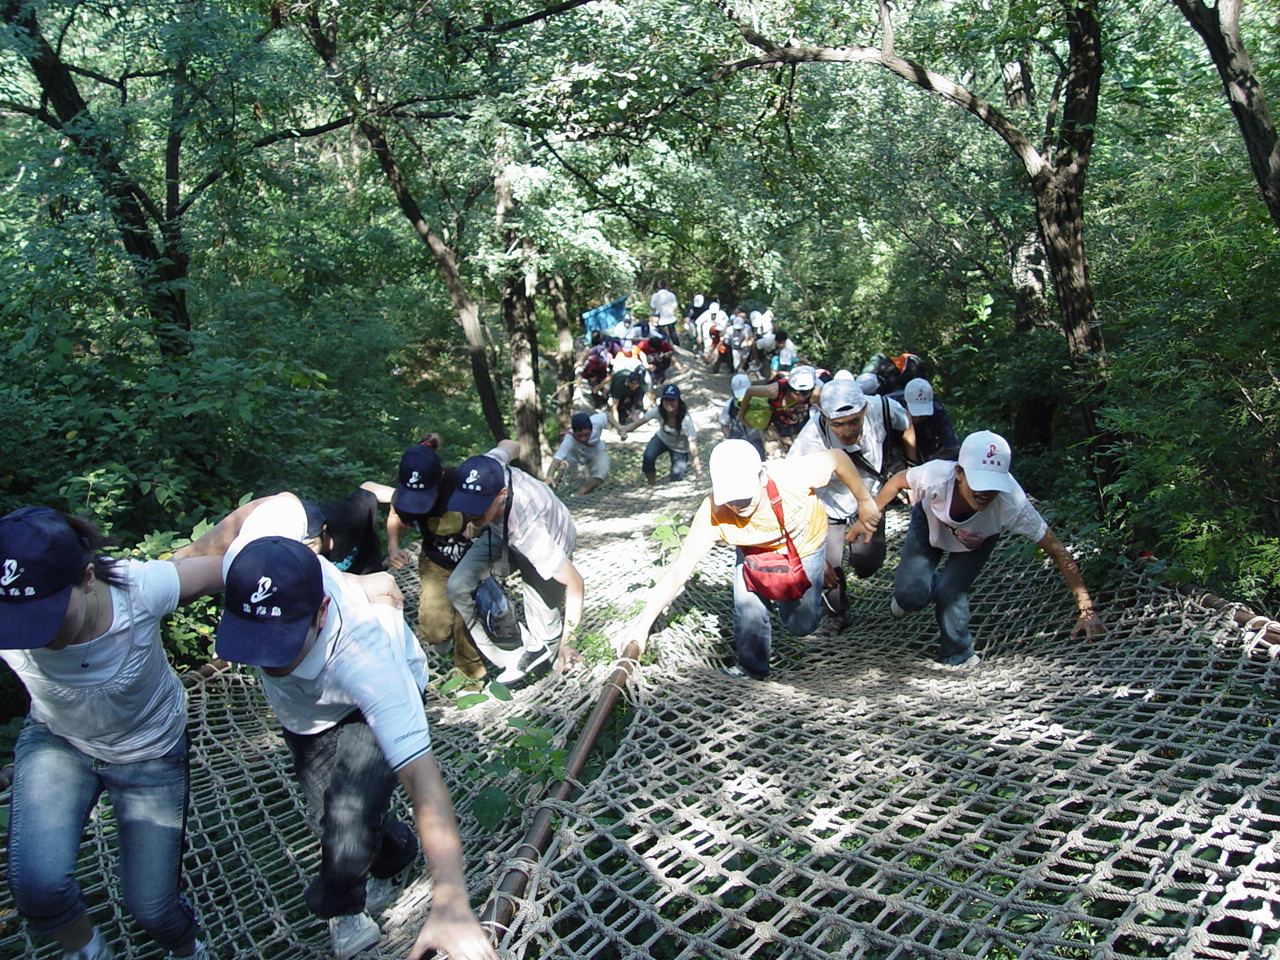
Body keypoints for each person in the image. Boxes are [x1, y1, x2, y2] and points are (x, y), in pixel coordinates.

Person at [212, 496, 496, 960]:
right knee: (327, 815)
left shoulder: (371, 665)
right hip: (304, 715)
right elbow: (271, 506)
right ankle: (395, 853)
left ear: (321, 614)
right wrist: (363, 580)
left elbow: (425, 785)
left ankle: (343, 908)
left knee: (347, 818)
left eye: (280, 644)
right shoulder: (248, 563)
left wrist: (451, 901)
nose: (266, 659)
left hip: (368, 694)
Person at [0, 506, 223, 960]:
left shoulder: (141, 589)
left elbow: (235, 568)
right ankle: (89, 952)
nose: (32, 636)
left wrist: (349, 584)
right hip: (58, 742)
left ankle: (188, 950)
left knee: (153, 910)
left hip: (150, 752)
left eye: (45, 615)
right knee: (37, 886)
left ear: (86, 577)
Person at [616, 440, 880, 679]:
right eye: (729, 497)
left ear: (762, 477)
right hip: (754, 551)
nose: (738, 505)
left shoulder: (791, 476)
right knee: (747, 608)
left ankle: (817, 580)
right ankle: (752, 669)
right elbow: (679, 569)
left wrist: (865, 500)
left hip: (805, 546)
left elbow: (837, 458)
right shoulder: (714, 513)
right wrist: (642, 626)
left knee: (800, 625)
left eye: (743, 494)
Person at [875, 430, 1105, 668]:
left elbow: (1058, 552)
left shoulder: (1011, 503)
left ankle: (958, 654)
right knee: (910, 596)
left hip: (976, 540)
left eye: (992, 484)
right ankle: (921, 586)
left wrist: (1086, 610)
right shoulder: (936, 475)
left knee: (951, 591)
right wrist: (869, 516)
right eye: (978, 482)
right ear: (959, 474)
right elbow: (898, 480)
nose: (985, 492)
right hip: (931, 521)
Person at [445, 441, 585, 683]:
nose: (469, 513)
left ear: (502, 494)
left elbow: (575, 584)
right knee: (457, 586)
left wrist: (568, 642)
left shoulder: (528, 531)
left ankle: (548, 677)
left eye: (477, 509)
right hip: (500, 532)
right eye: (467, 506)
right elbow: (511, 445)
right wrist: (477, 520)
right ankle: (511, 658)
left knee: (546, 630)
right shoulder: (488, 468)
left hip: (550, 537)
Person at [788, 379, 917, 624]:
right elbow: (791, 490)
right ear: (824, 418)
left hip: (871, 499)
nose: (847, 430)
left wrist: (911, 465)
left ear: (865, 409)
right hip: (829, 504)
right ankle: (837, 615)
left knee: (868, 563)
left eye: (853, 421)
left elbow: (906, 424)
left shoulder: (883, 409)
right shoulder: (810, 439)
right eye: (838, 424)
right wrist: (811, 551)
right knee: (828, 570)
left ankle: (859, 561)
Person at [379, 440, 487, 684]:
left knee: (467, 621)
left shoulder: (461, 480)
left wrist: (480, 523)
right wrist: (393, 547)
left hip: (472, 562)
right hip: (435, 562)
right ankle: (443, 638)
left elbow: (494, 503)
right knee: (434, 631)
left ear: (439, 476)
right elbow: (395, 515)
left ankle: (471, 679)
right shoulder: (405, 495)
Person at [619, 383, 704, 485]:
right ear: (662, 401)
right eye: (666, 400)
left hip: (680, 448)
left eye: (672, 400)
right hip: (662, 439)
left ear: (678, 401)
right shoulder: (658, 411)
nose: (669, 403)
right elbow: (639, 422)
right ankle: (651, 484)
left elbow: (693, 446)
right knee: (648, 456)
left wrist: (698, 469)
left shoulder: (685, 419)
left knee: (676, 478)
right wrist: (624, 430)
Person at [740, 363, 820, 456]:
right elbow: (751, 391)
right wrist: (742, 416)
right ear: (790, 388)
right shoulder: (775, 390)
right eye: (796, 393)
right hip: (774, 426)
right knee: (775, 456)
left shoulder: (816, 394)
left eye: (805, 393)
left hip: (798, 427)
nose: (801, 398)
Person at [890, 377, 960, 462]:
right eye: (915, 414)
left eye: (923, 415)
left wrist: (934, 459)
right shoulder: (890, 408)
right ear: (904, 403)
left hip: (925, 447)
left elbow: (953, 447)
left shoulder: (937, 412)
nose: (919, 418)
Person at [549, 411, 611, 494]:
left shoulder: (597, 421)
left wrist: (620, 428)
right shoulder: (569, 439)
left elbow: (608, 414)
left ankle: (577, 496)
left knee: (600, 474)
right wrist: (549, 476)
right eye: (579, 435)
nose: (583, 439)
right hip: (576, 460)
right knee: (574, 483)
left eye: (586, 434)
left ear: (592, 429)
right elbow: (557, 459)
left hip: (597, 453)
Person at [719, 372, 766, 458]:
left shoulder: (761, 402)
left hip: (759, 442)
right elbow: (724, 425)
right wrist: (730, 441)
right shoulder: (729, 405)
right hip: (740, 443)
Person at [649, 280, 680, 345]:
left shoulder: (655, 296)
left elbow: (652, 307)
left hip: (660, 319)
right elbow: (675, 307)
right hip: (670, 318)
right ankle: (677, 346)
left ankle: (662, 346)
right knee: (673, 333)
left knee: (660, 335)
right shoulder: (671, 295)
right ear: (666, 286)